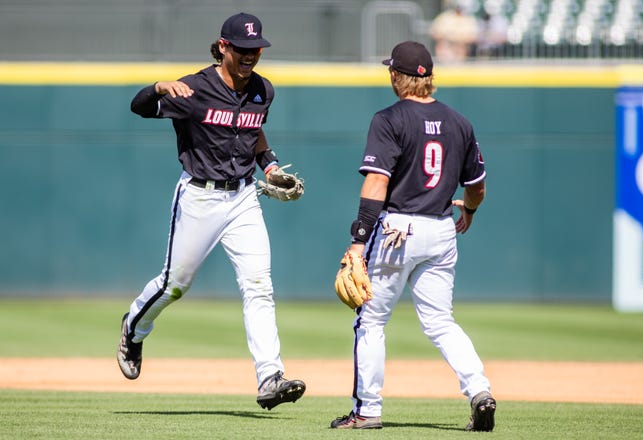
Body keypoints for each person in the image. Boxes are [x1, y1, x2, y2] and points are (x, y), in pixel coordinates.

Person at [116, 12, 306, 411]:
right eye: (242, 49)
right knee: (174, 285)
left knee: (259, 285)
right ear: (223, 47)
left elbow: (253, 132)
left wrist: (269, 165)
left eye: (256, 49)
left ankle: (270, 376)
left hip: (243, 197)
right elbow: (138, 108)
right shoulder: (193, 90)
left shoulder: (263, 91)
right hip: (199, 195)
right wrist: (157, 87)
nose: (251, 55)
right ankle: (134, 327)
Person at [330, 41, 496, 431]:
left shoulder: (388, 119)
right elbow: (477, 186)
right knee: (440, 322)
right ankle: (479, 391)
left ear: (394, 76)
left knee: (370, 322)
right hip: (441, 231)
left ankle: (367, 411)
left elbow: (376, 182)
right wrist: (469, 209)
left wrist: (358, 238)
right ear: (429, 78)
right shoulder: (459, 122)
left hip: (396, 231)